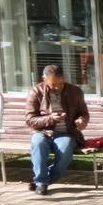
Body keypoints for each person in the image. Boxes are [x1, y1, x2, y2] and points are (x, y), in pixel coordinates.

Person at [25, 64, 89, 195]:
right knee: (38, 143)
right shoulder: (36, 92)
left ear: (64, 78)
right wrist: (50, 119)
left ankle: (42, 181)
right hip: (42, 132)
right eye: (53, 84)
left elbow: (84, 113)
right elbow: (30, 120)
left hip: (67, 132)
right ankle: (41, 183)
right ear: (44, 79)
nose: (57, 87)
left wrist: (82, 120)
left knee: (65, 150)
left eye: (60, 83)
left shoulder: (75, 91)